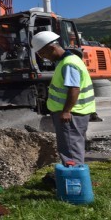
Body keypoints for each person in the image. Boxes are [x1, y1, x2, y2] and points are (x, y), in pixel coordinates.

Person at [32, 31, 95, 166]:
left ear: (52, 48)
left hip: (71, 114)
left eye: (43, 53)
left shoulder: (68, 64)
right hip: (76, 112)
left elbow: (74, 89)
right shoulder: (69, 60)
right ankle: (74, 178)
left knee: (70, 150)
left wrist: (66, 111)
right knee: (73, 147)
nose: (44, 58)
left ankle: (74, 181)